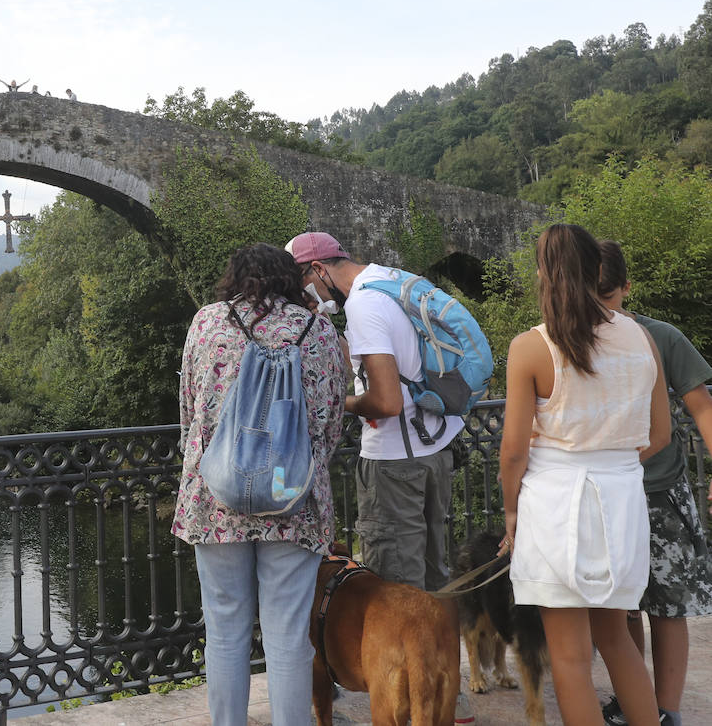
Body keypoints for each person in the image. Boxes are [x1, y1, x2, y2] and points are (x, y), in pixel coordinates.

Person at [499, 223, 671, 726]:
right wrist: (611, 464)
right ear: (599, 271)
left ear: (542, 276)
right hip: (621, 501)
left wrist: (511, 513)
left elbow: (512, 452)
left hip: (554, 505)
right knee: (617, 641)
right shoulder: (641, 337)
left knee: (570, 659)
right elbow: (659, 433)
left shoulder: (532, 347)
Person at [173, 243, 346, 725]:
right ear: (289, 278)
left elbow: (190, 410)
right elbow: (331, 423)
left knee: (226, 631)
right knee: (289, 636)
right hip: (294, 501)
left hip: (216, 499)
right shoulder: (318, 330)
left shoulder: (207, 323)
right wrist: (294, 473)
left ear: (234, 278)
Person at [287, 231, 462, 590]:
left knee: (397, 593)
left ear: (317, 269)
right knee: (433, 582)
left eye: (303, 288)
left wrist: (336, 403)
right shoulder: (388, 280)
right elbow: (379, 358)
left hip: (396, 463)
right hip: (435, 447)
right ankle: (437, 648)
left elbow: (386, 402)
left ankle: (413, 649)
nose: (307, 298)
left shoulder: (363, 305)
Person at [597, 240, 712, 726]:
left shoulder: (660, 336)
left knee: (667, 607)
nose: (603, 304)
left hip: (660, 491)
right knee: (620, 608)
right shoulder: (568, 337)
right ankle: (635, 700)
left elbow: (701, 405)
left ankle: (664, 711)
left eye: (609, 292)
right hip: (605, 492)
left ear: (627, 287)